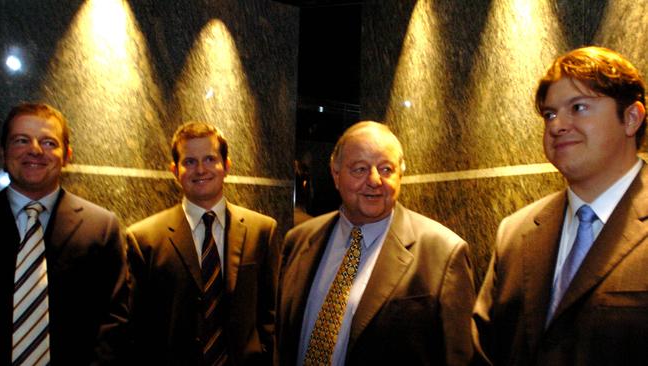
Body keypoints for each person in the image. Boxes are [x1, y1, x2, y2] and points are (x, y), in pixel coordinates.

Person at [473, 46, 648, 365]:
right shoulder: (514, 234)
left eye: (579, 107)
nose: (557, 125)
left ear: (631, 118)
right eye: (550, 114)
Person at [277, 121, 476, 365]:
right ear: (336, 174)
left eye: (386, 169)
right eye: (360, 169)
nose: (374, 180)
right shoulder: (299, 241)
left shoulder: (444, 254)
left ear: (400, 176)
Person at [126, 121, 280, 365]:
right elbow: (137, 327)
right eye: (189, 161)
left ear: (226, 166)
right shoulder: (144, 239)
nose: (200, 169)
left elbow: (271, 315)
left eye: (210, 159)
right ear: (175, 170)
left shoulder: (262, 231)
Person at [0, 102, 129, 365]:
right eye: (22, 140)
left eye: (48, 143)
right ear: (2, 153)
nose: (35, 150)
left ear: (67, 155)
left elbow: (115, 321)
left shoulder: (102, 227)